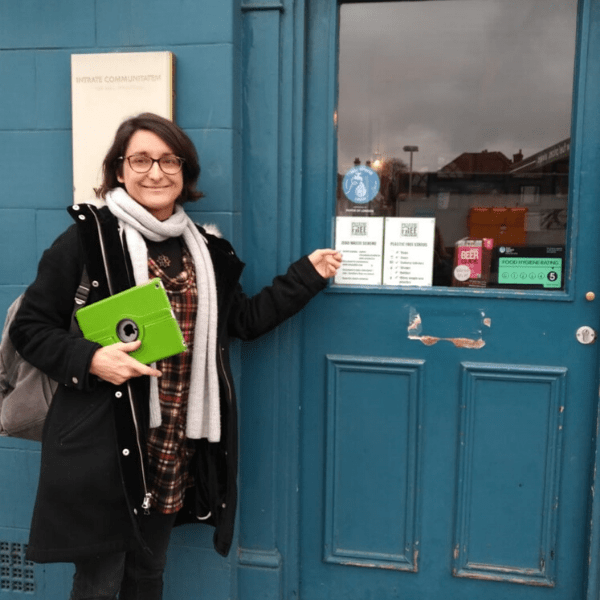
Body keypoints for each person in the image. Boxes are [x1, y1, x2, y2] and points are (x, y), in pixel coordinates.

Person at [9, 112, 342, 600]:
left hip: (173, 445)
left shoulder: (207, 251)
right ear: (119, 171)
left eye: (169, 160)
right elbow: (29, 328)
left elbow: (243, 321)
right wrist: (93, 359)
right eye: (140, 159)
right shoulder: (89, 239)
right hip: (105, 441)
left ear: (184, 173)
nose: (155, 171)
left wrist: (305, 276)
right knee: (100, 583)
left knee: (148, 573)